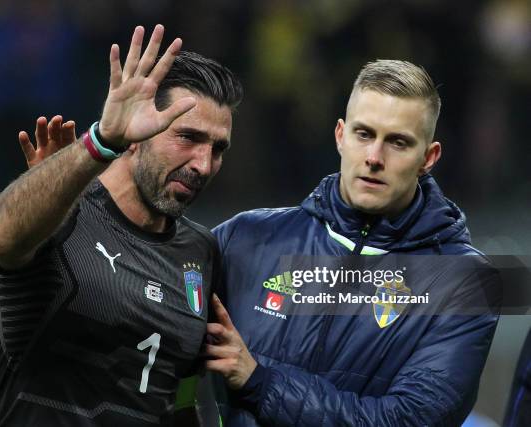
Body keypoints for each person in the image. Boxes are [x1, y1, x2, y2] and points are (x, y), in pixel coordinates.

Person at [204, 60, 501, 426]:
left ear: (429, 158)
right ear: (340, 136)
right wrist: (111, 147)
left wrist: (260, 383)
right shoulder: (247, 238)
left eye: (398, 142)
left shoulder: (462, 282)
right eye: (364, 134)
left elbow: (408, 421)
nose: (374, 158)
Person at [0, 24, 242, 426]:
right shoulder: (65, 219)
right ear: (137, 133)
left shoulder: (200, 252)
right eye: (187, 137)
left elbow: (182, 396)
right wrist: (100, 143)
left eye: (218, 148)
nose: (203, 165)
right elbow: (0, 237)